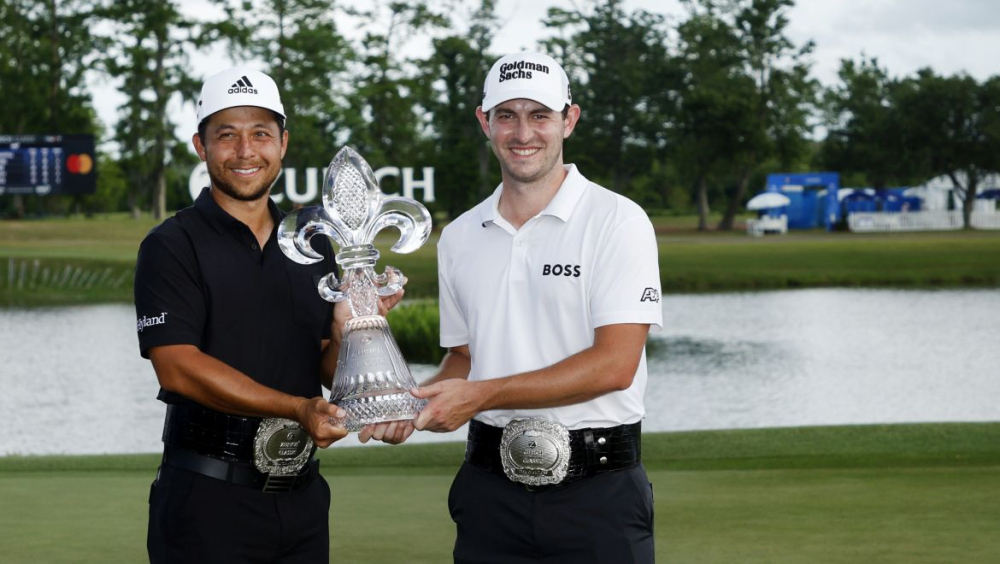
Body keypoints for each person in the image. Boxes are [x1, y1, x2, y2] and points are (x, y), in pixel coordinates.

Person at [365, 52, 663, 562]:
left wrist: (478, 396)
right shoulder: (459, 236)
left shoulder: (618, 220)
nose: (523, 133)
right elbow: (465, 357)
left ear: (568, 119)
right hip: (489, 493)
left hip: (598, 494)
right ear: (485, 122)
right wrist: (414, 404)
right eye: (507, 115)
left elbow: (616, 365)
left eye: (539, 115)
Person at [134, 66, 402, 563]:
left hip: (301, 497)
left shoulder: (314, 243)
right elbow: (177, 366)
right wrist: (296, 408)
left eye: (260, 133)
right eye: (226, 135)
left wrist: (350, 337)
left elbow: (324, 364)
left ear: (283, 143)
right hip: (206, 497)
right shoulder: (171, 245)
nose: (244, 151)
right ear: (201, 146)